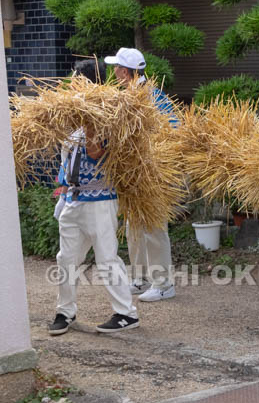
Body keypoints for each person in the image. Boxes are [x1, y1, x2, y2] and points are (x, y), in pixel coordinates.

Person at [49, 59, 139, 335]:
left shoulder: (106, 115)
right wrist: (62, 194)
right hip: (74, 200)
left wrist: (88, 115)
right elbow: (67, 161)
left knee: (107, 258)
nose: (71, 84)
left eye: (76, 80)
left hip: (100, 199)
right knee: (66, 258)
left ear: (89, 83)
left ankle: (126, 313)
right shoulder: (76, 118)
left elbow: (97, 152)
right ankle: (65, 312)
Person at [104, 48, 179, 303]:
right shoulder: (132, 95)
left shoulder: (151, 96)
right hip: (135, 172)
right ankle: (140, 278)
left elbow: (174, 131)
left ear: (125, 72)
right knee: (134, 226)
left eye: (116, 67)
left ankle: (163, 283)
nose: (114, 71)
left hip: (153, 172)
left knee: (153, 226)